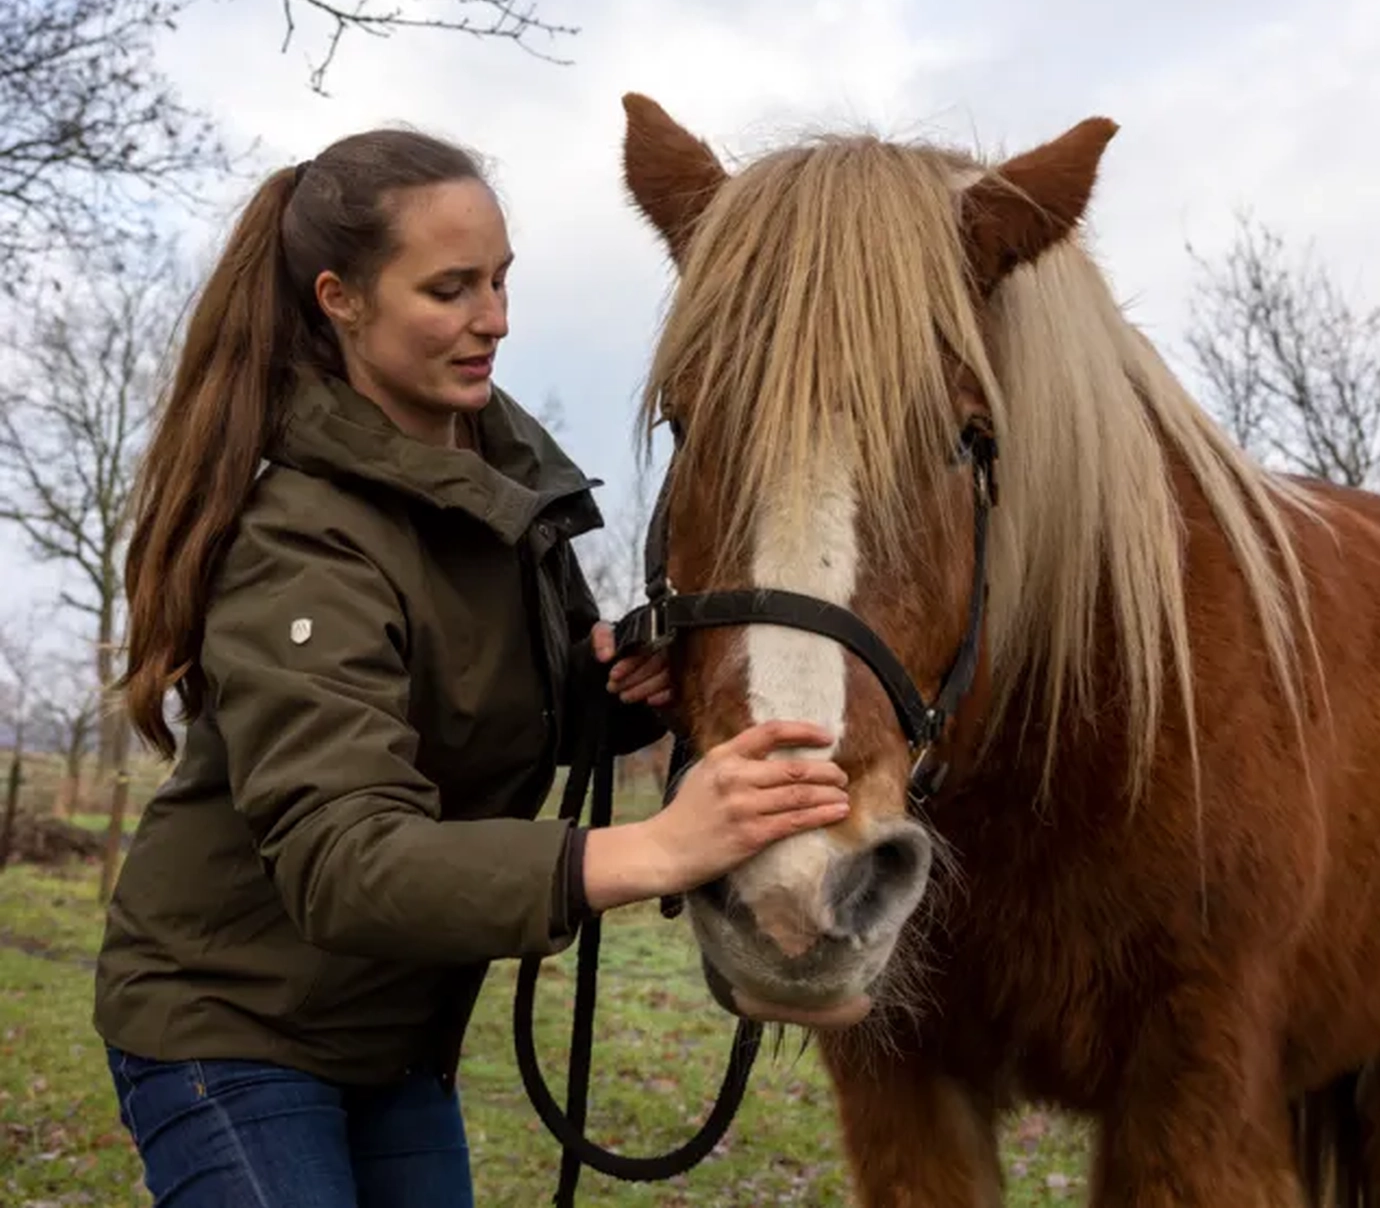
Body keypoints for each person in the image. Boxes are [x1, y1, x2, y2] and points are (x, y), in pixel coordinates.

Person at [93, 128, 852, 1208]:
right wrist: (653, 849)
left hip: (393, 1028)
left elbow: (488, 712)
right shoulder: (301, 540)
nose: (492, 318)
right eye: (449, 289)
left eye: (499, 280)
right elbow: (344, 861)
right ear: (340, 299)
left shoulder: (499, 486)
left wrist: (620, 692)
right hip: (229, 1024)